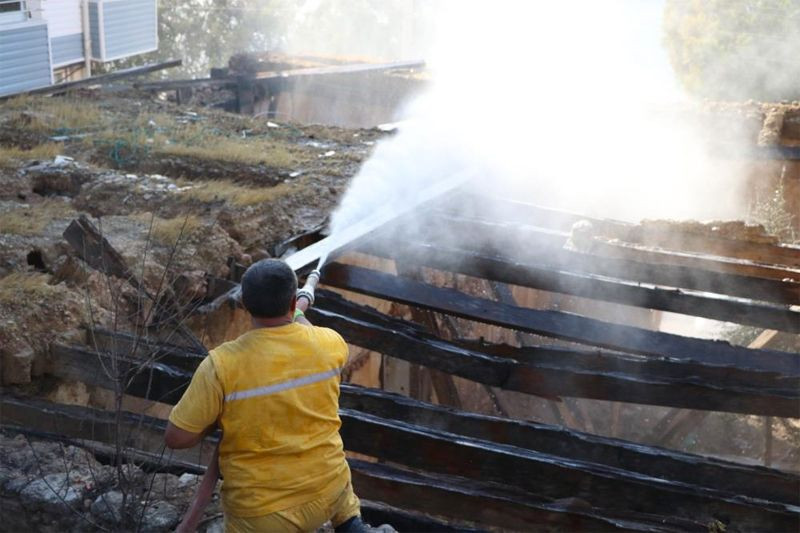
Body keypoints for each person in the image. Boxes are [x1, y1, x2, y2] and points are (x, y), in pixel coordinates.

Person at [165, 259, 371, 532]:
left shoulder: (222, 364)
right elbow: (307, 333)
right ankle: (351, 525)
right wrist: (297, 314)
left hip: (263, 516)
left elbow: (176, 438)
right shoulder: (330, 344)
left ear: (245, 305)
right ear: (291, 301)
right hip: (328, 493)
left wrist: (219, 420)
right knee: (342, 496)